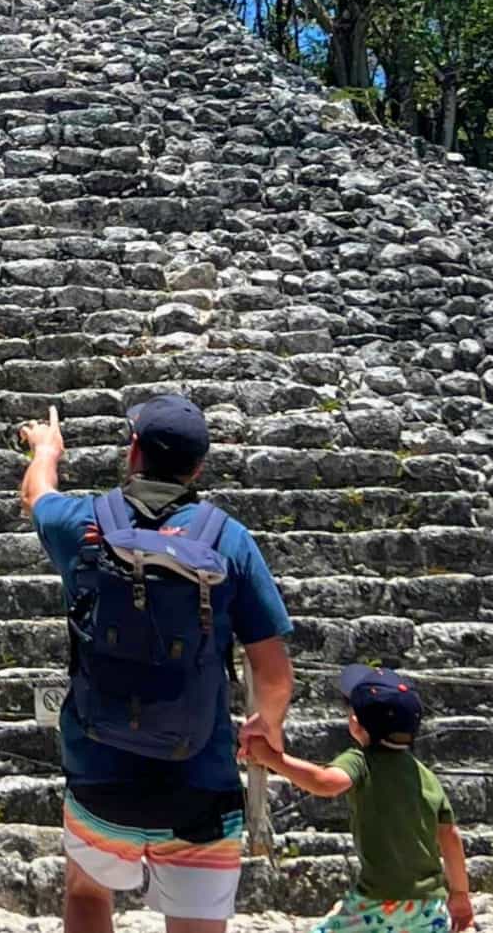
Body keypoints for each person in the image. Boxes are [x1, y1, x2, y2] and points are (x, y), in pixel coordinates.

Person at [21, 394, 295, 933]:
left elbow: (37, 496)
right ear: (198, 467)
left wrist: (46, 449)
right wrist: (268, 726)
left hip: (100, 772)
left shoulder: (85, 525)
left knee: (86, 894)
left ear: (133, 451)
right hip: (201, 780)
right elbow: (273, 671)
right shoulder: (229, 540)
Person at [243, 666, 475, 933]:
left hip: (376, 900)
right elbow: (450, 837)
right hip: (428, 905)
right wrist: (460, 894)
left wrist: (272, 759)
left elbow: (325, 783)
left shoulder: (361, 761)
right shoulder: (427, 777)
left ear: (355, 723)